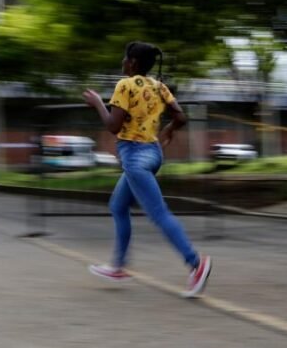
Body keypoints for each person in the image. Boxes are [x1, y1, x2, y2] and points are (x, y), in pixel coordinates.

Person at [82, 41, 211, 298]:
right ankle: (118, 266)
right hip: (153, 154)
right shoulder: (159, 86)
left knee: (158, 213)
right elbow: (181, 117)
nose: (122, 62)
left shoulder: (125, 85)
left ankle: (196, 264)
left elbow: (113, 127)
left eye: (124, 58)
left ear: (133, 63)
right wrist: (169, 130)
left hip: (134, 158)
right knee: (118, 206)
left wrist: (98, 103)